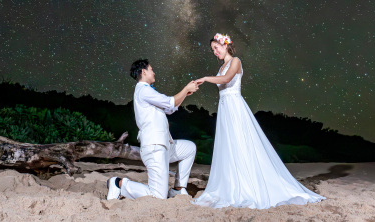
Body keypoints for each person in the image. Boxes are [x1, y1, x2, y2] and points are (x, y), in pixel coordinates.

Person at [191, 33, 325, 209]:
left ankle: (247, 185)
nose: (215, 52)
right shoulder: (221, 66)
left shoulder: (235, 61)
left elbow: (226, 79)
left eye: (216, 48)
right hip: (225, 108)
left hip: (235, 107)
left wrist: (205, 78)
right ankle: (232, 184)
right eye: (213, 50)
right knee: (229, 145)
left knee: (240, 143)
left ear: (225, 45)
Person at [106, 59, 199, 201]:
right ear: (144, 72)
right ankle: (119, 184)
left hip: (165, 145)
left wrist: (185, 94)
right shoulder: (143, 90)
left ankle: (178, 189)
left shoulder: (147, 92)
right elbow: (170, 102)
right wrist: (186, 89)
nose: (154, 72)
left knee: (189, 148)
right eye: (151, 69)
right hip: (154, 147)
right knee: (158, 196)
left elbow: (170, 109)